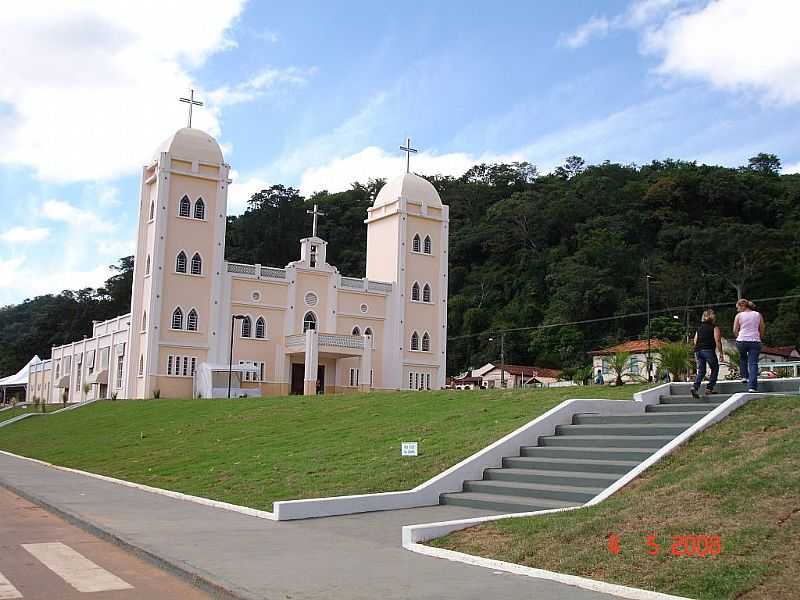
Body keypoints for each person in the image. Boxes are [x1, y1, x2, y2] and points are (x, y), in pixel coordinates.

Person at [733, 299, 764, 392]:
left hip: (742, 340)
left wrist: (738, 336)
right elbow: (762, 328)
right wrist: (759, 337)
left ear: (742, 306)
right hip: (755, 341)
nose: (737, 309)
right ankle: (752, 387)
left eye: (737, 307)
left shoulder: (739, 316)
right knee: (753, 363)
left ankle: (744, 377)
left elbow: (735, 330)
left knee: (743, 358)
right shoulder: (758, 315)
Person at [691, 309, 724, 399]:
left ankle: (695, 387)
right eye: (713, 314)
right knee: (715, 368)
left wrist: (699, 348)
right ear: (708, 316)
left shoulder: (699, 328)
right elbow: (717, 340)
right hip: (708, 349)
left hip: (698, 350)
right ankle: (709, 388)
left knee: (701, 371)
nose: (714, 316)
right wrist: (721, 353)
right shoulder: (714, 327)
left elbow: (695, 340)